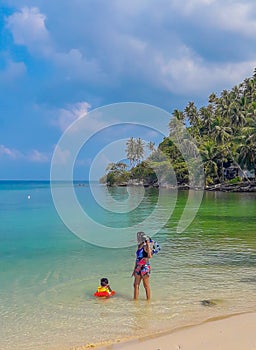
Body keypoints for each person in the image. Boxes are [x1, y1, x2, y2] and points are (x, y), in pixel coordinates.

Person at [132, 231, 152, 300]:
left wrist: (148, 244)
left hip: (144, 267)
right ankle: (135, 300)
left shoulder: (145, 246)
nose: (137, 239)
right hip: (138, 267)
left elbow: (149, 256)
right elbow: (137, 258)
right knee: (135, 285)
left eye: (138, 237)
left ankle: (148, 301)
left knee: (146, 285)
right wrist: (134, 270)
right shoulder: (139, 246)